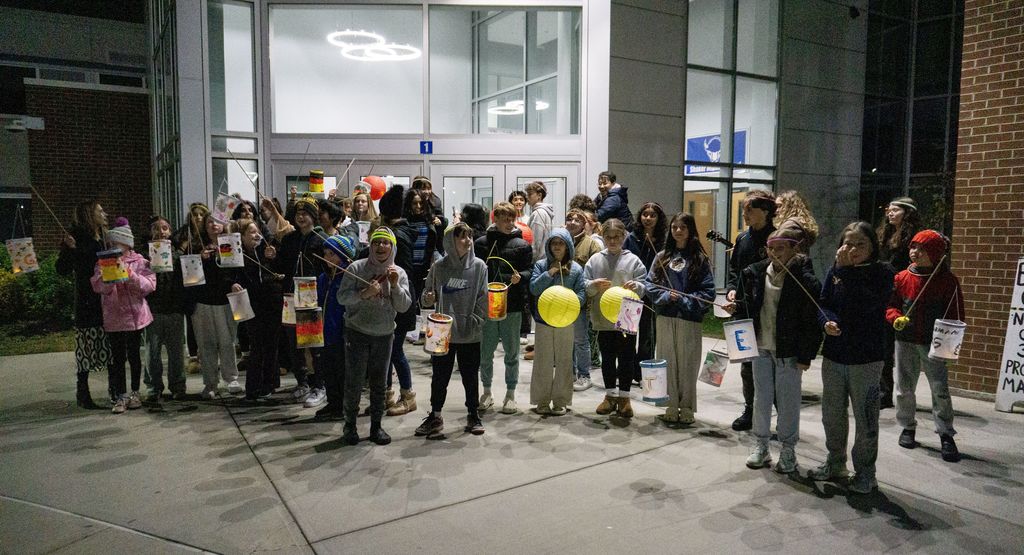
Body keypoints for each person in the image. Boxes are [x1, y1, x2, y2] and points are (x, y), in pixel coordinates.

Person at [810, 221, 894, 494]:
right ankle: (835, 463)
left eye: (861, 244)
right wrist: (827, 322)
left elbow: (868, 305)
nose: (854, 249)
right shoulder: (836, 271)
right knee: (832, 415)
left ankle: (866, 473)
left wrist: (846, 273)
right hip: (835, 356)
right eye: (848, 243)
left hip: (866, 358)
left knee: (866, 417)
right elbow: (823, 303)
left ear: (873, 247)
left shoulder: (882, 273)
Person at [734, 226, 823, 473]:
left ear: (795, 249)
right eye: (771, 248)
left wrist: (806, 354)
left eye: (781, 249)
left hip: (788, 351)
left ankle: (788, 449)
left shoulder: (803, 278)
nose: (774, 254)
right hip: (761, 347)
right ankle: (761, 445)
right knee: (760, 397)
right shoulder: (755, 272)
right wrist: (736, 311)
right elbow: (745, 306)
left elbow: (811, 318)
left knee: (788, 401)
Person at [886, 229, 963, 463]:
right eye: (913, 247)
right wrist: (894, 318)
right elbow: (891, 305)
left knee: (939, 388)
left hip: (934, 342)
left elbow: (955, 313)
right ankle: (907, 426)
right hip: (906, 339)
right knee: (904, 386)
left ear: (936, 254)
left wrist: (951, 343)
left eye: (922, 249)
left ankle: (946, 433)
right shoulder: (901, 278)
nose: (914, 252)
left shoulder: (947, 282)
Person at [339, 227, 413, 446]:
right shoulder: (356, 267)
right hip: (357, 332)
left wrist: (394, 285)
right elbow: (341, 297)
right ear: (369, 245)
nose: (381, 246)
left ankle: (376, 426)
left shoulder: (398, 273)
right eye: (376, 242)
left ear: (392, 247)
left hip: (384, 334)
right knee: (354, 380)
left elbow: (403, 306)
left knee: (380, 383)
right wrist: (364, 294)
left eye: (385, 243)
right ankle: (350, 424)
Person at [416, 223, 488, 437]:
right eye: (462, 237)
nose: (467, 241)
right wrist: (428, 298)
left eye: (469, 236)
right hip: (440, 331)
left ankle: (473, 413)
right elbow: (426, 295)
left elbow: (483, 298)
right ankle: (435, 416)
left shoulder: (479, 266)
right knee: (439, 375)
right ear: (450, 241)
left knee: (470, 375)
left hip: (469, 330)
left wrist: (475, 320)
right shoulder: (439, 267)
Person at [643, 212, 714, 425]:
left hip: (689, 319)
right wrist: (666, 296)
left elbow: (708, 291)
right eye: (674, 227)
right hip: (665, 317)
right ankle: (671, 404)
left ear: (690, 230)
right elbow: (649, 285)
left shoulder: (700, 259)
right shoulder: (661, 256)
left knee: (687, 364)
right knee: (667, 362)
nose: (678, 231)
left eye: (683, 227)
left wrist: (684, 300)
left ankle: (687, 407)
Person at [90, 218, 157, 413]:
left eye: (116, 242)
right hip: (114, 316)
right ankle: (121, 395)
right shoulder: (103, 262)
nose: (112, 245)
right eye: (111, 242)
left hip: (135, 317)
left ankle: (135, 392)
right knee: (117, 358)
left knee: (134, 355)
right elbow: (98, 286)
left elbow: (149, 286)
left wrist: (129, 274)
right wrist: (109, 277)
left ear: (127, 243)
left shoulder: (140, 262)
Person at [584, 218, 647, 419]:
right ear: (603, 237)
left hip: (628, 314)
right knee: (608, 357)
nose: (612, 241)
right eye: (608, 237)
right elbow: (585, 284)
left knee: (627, 357)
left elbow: (645, 284)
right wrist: (593, 285)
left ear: (623, 237)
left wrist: (637, 287)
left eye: (616, 237)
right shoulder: (595, 260)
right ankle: (610, 395)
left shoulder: (633, 260)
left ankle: (625, 398)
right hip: (603, 316)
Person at [725, 189, 777, 431]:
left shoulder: (777, 239)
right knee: (746, 363)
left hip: (768, 311)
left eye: (749, 209)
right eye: (743, 209)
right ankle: (750, 409)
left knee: (770, 362)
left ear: (765, 211)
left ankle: (777, 408)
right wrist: (731, 290)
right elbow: (734, 269)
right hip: (743, 310)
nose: (744, 214)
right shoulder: (742, 239)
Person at [475, 201, 533, 414]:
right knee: (485, 352)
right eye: (504, 219)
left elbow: (530, 271)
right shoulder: (481, 243)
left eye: (512, 218)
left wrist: (520, 277)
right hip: (486, 305)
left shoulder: (522, 244)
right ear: (495, 219)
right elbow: (475, 270)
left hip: (512, 305)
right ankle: (487, 391)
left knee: (512, 352)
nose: (509, 223)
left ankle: (510, 394)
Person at [57, 200, 112, 409]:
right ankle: (83, 393)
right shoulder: (77, 237)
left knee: (111, 346)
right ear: (90, 214)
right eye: (100, 211)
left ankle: (115, 390)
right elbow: (61, 268)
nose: (104, 213)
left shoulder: (105, 237)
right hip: (87, 300)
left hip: (107, 298)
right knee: (86, 347)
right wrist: (71, 249)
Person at [529, 228, 586, 416]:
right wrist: (550, 273)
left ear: (568, 246)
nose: (557, 247)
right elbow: (534, 288)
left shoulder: (576, 269)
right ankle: (542, 400)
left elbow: (582, 294)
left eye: (561, 243)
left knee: (564, 361)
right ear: (549, 246)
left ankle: (561, 400)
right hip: (543, 321)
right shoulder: (540, 265)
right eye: (554, 243)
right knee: (543, 361)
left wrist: (570, 303)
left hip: (565, 322)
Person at [275, 196, 326, 405]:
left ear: (314, 216)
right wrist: (273, 256)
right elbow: (280, 267)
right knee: (293, 343)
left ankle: (319, 385)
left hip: (311, 298)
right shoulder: (289, 239)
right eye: (298, 213)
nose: (301, 217)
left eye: (305, 213)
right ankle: (302, 382)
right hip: (289, 297)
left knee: (313, 343)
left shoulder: (320, 240)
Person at [377, 185, 420, 415]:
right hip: (392, 297)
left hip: (400, 297)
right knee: (387, 350)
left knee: (395, 351)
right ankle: (385, 394)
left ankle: (408, 395)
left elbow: (404, 271)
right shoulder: (396, 232)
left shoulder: (397, 236)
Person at [876, 197, 922, 409]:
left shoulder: (912, 238)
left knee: (894, 346)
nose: (890, 213)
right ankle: (883, 390)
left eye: (895, 210)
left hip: (900, 294)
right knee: (882, 344)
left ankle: (888, 392)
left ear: (907, 213)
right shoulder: (884, 234)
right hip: (882, 290)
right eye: (889, 209)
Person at [231, 218, 284, 403]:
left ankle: (269, 385)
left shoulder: (267, 250)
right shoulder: (236, 255)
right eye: (251, 232)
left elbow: (279, 271)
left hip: (272, 303)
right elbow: (232, 276)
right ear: (242, 237)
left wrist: (274, 259)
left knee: (271, 346)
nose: (256, 235)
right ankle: (253, 388)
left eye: (257, 231)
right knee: (257, 348)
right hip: (252, 306)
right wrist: (235, 283)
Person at [192, 214, 243, 399]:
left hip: (225, 300)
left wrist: (233, 283)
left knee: (227, 341)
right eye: (209, 222)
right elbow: (190, 274)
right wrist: (200, 259)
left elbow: (237, 270)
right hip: (203, 301)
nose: (214, 225)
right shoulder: (198, 246)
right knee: (206, 344)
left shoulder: (231, 244)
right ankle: (210, 383)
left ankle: (231, 378)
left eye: (217, 221)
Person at [144, 215, 188, 402]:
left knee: (176, 352)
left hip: (174, 310)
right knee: (152, 353)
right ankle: (154, 387)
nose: (160, 231)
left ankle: (178, 386)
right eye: (156, 228)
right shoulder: (143, 257)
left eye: (164, 228)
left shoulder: (178, 256)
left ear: (170, 232)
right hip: (153, 310)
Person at [313, 234, 357, 419]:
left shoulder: (348, 277)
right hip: (325, 332)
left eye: (332, 254)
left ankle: (342, 406)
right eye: (326, 253)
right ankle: (333, 402)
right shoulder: (324, 277)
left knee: (342, 372)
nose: (328, 258)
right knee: (328, 369)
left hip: (341, 332)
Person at [625, 202, 668, 384]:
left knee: (648, 335)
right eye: (645, 214)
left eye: (652, 215)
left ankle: (643, 372)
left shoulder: (664, 240)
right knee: (627, 333)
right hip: (633, 292)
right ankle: (628, 371)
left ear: (658, 219)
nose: (648, 218)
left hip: (651, 293)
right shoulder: (631, 238)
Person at [564, 209, 602, 391]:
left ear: (585, 223)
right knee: (566, 339)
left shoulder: (592, 245)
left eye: (577, 220)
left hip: (581, 300)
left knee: (580, 340)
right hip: (561, 300)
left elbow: (596, 272)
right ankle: (568, 373)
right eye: (569, 219)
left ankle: (584, 375)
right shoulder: (561, 241)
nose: (572, 222)